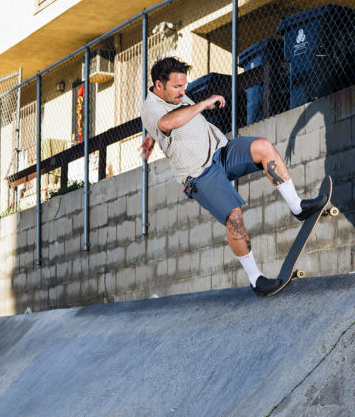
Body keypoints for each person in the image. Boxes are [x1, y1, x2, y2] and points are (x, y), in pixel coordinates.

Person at [139, 57, 326, 296]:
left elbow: (162, 124)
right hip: (199, 174)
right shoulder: (150, 107)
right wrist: (202, 104)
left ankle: (297, 207)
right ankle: (256, 279)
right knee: (234, 218)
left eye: (184, 86)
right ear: (158, 85)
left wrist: (152, 137)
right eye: (177, 87)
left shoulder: (171, 93)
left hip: (221, 151)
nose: (182, 92)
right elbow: (165, 121)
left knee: (263, 147)